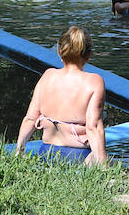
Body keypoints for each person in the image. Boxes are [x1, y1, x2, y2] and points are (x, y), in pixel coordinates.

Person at [15, 26, 107, 165]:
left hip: (47, 153)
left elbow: (30, 119)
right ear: (88, 55)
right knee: (111, 162)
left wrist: (19, 151)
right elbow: (93, 126)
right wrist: (103, 163)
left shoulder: (48, 76)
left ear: (60, 52)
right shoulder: (94, 81)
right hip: (79, 155)